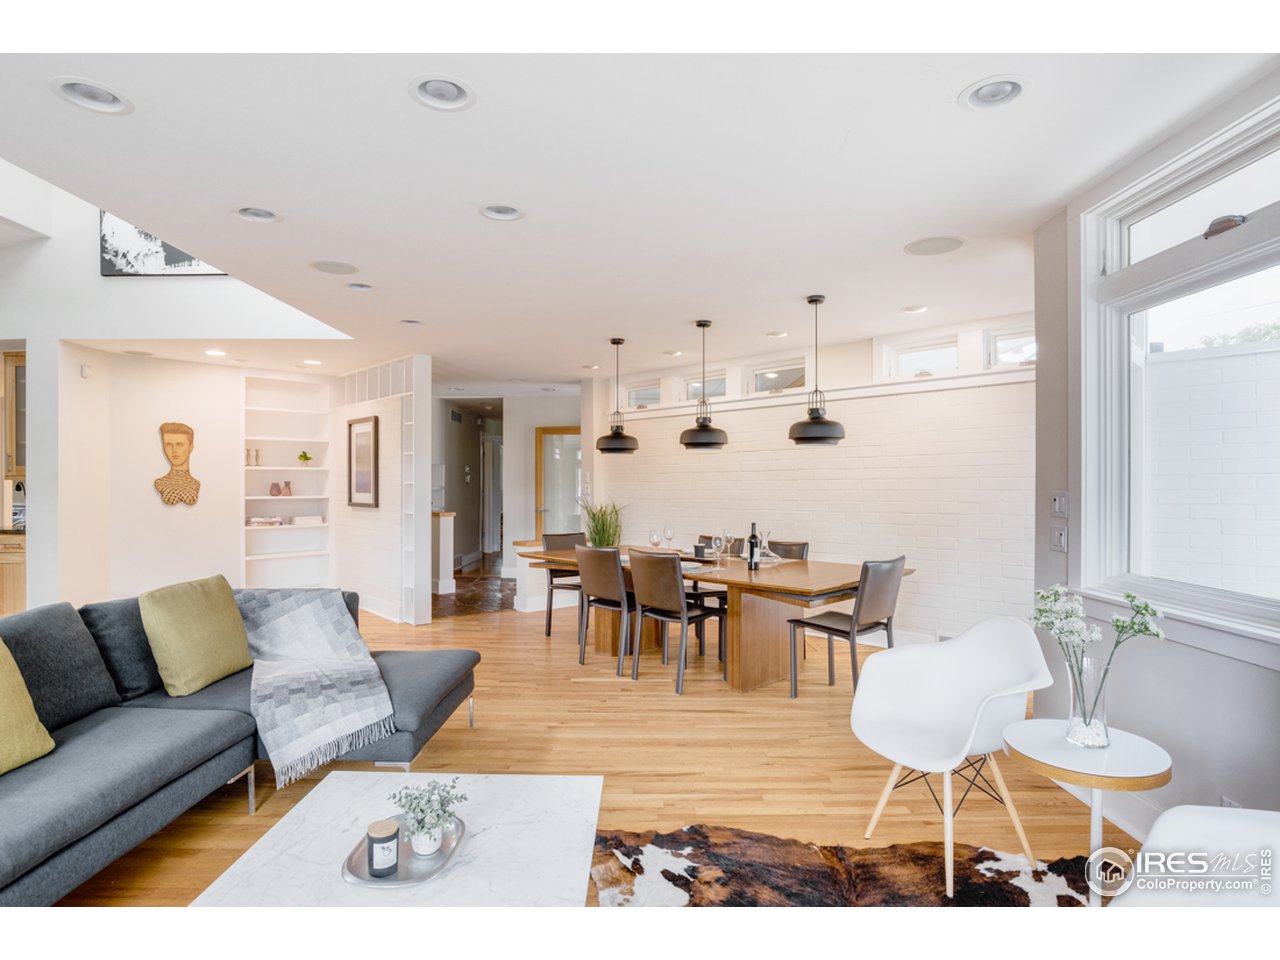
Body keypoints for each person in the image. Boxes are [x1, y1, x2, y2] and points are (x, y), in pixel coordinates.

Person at [154, 421, 200, 506]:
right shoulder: (160, 482)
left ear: (190, 447)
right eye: (168, 445)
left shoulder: (195, 483)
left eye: (179, 444)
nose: (174, 450)